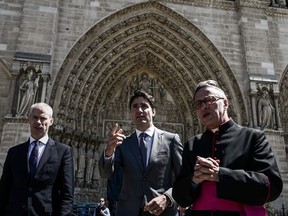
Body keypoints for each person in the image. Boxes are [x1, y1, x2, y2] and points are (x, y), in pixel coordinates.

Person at [172, 80, 283, 216]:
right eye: (198, 104)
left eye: (209, 100)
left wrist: (220, 175)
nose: (203, 107)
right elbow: (180, 197)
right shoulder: (193, 144)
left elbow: (272, 187)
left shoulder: (253, 138)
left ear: (225, 103)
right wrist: (194, 180)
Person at [99, 90, 183, 216]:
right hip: (128, 210)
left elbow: (183, 178)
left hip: (162, 211)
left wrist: (167, 198)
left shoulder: (171, 140)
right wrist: (109, 151)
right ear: (131, 114)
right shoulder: (123, 143)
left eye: (144, 106)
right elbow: (106, 173)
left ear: (153, 111)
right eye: (135, 107)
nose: (139, 110)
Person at [0, 102, 74, 216]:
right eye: (35, 117)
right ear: (28, 119)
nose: (38, 122)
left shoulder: (63, 152)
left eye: (43, 118)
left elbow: (67, 193)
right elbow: (4, 188)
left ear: (51, 121)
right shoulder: (14, 152)